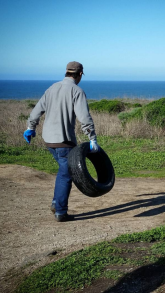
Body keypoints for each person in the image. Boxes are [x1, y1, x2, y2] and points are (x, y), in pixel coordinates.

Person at [23, 61, 99, 222]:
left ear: (66, 72)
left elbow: (36, 111)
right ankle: (60, 211)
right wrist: (92, 139)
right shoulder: (76, 90)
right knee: (66, 175)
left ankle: (56, 202)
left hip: (49, 141)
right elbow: (84, 118)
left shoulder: (52, 88)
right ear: (79, 75)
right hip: (64, 141)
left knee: (64, 172)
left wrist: (30, 127)